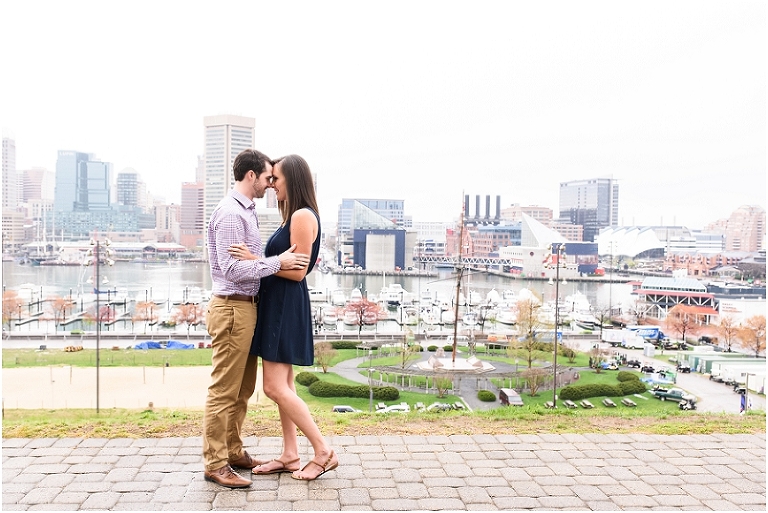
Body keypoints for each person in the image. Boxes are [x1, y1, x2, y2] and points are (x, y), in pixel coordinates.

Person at [203, 149, 310, 489]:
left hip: (247, 308)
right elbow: (233, 270)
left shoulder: (246, 212)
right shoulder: (232, 214)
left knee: (242, 390)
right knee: (224, 390)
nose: (270, 184)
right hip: (233, 308)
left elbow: (249, 263)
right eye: (267, 177)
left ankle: (233, 451)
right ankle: (216, 463)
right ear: (252, 176)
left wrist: (266, 261)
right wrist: (277, 262)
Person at [229, 154, 338, 481]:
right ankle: (291, 454)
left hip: (285, 306)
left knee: (275, 387)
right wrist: (266, 264)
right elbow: (285, 264)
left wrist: (254, 260)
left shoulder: (303, 216)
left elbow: (299, 271)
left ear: (292, 178)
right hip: (278, 304)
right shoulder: (292, 215)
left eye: (276, 178)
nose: (271, 184)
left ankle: (323, 451)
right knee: (285, 384)